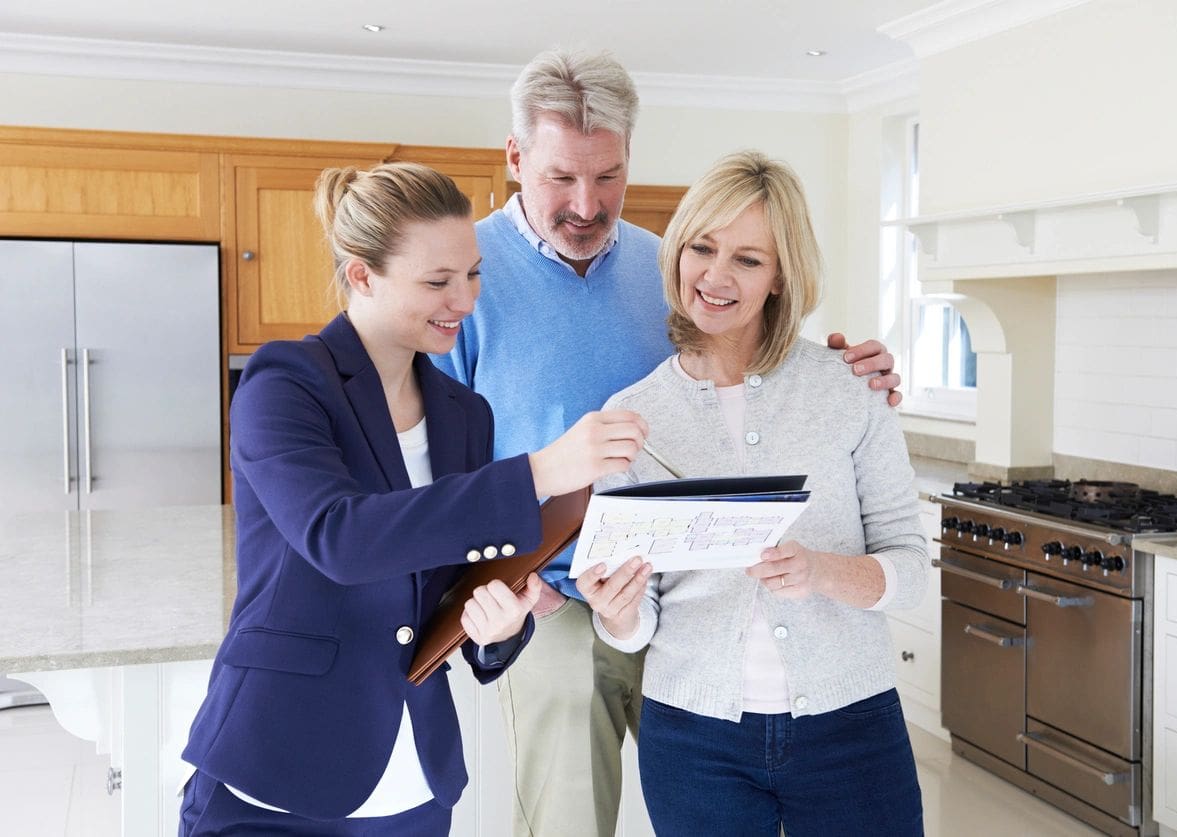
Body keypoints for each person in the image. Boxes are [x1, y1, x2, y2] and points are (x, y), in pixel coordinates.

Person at [431, 49, 904, 837]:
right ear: (515, 159)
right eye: (559, 177)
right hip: (550, 602)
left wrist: (855, 369)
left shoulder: (672, 266)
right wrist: (511, 586)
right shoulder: (465, 281)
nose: (586, 204)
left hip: (693, 602)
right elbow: (435, 472)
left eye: (608, 175)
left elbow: (750, 372)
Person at [179, 161, 647, 834]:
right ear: (361, 273)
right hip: (275, 770)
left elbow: (450, 584)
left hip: (413, 783)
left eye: (473, 274)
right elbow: (340, 537)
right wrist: (540, 471)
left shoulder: (464, 413)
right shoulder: (286, 382)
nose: (465, 300)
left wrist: (498, 626)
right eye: (438, 281)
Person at [577, 150, 927, 836]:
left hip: (852, 725)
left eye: (747, 258)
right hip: (694, 738)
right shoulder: (633, 417)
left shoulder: (850, 388)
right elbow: (639, 618)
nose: (715, 275)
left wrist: (822, 570)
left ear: (781, 275)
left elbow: (911, 570)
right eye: (701, 247)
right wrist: (614, 614)